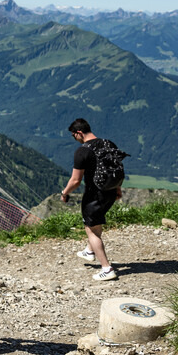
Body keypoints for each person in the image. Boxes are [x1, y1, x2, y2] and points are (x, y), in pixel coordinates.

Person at [61, 118, 121, 281]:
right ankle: (89, 251)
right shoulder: (109, 144)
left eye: (74, 136)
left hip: (95, 194)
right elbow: (114, 168)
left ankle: (106, 268)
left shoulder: (83, 151)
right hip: (110, 191)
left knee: (90, 228)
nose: (75, 139)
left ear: (79, 133)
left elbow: (75, 181)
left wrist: (64, 193)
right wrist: (117, 188)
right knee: (96, 223)